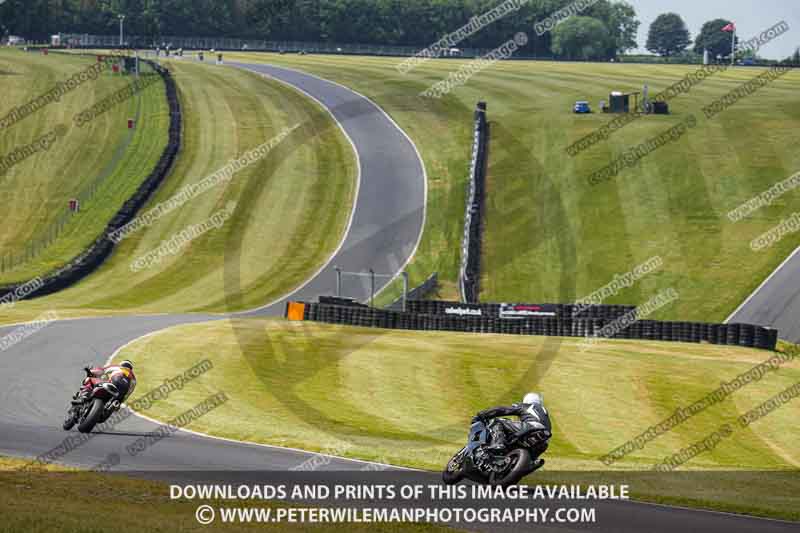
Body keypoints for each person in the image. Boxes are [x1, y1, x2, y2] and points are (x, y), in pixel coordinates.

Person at [473, 392, 551, 467]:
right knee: (530, 461)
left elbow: (503, 410)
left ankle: (498, 443)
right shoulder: (544, 412)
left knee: (497, 422)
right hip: (544, 441)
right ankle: (530, 464)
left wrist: (482, 414)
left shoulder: (526, 406)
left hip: (531, 427)